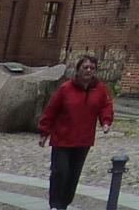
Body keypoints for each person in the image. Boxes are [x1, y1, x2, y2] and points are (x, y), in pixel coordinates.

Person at [37, 54, 113, 209]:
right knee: (60, 172)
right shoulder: (66, 89)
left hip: (83, 140)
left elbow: (105, 106)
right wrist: (44, 132)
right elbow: (51, 110)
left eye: (92, 68)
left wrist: (105, 121)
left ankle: (64, 204)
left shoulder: (99, 89)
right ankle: (55, 204)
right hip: (62, 139)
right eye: (85, 67)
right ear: (78, 70)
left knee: (73, 175)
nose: (88, 70)